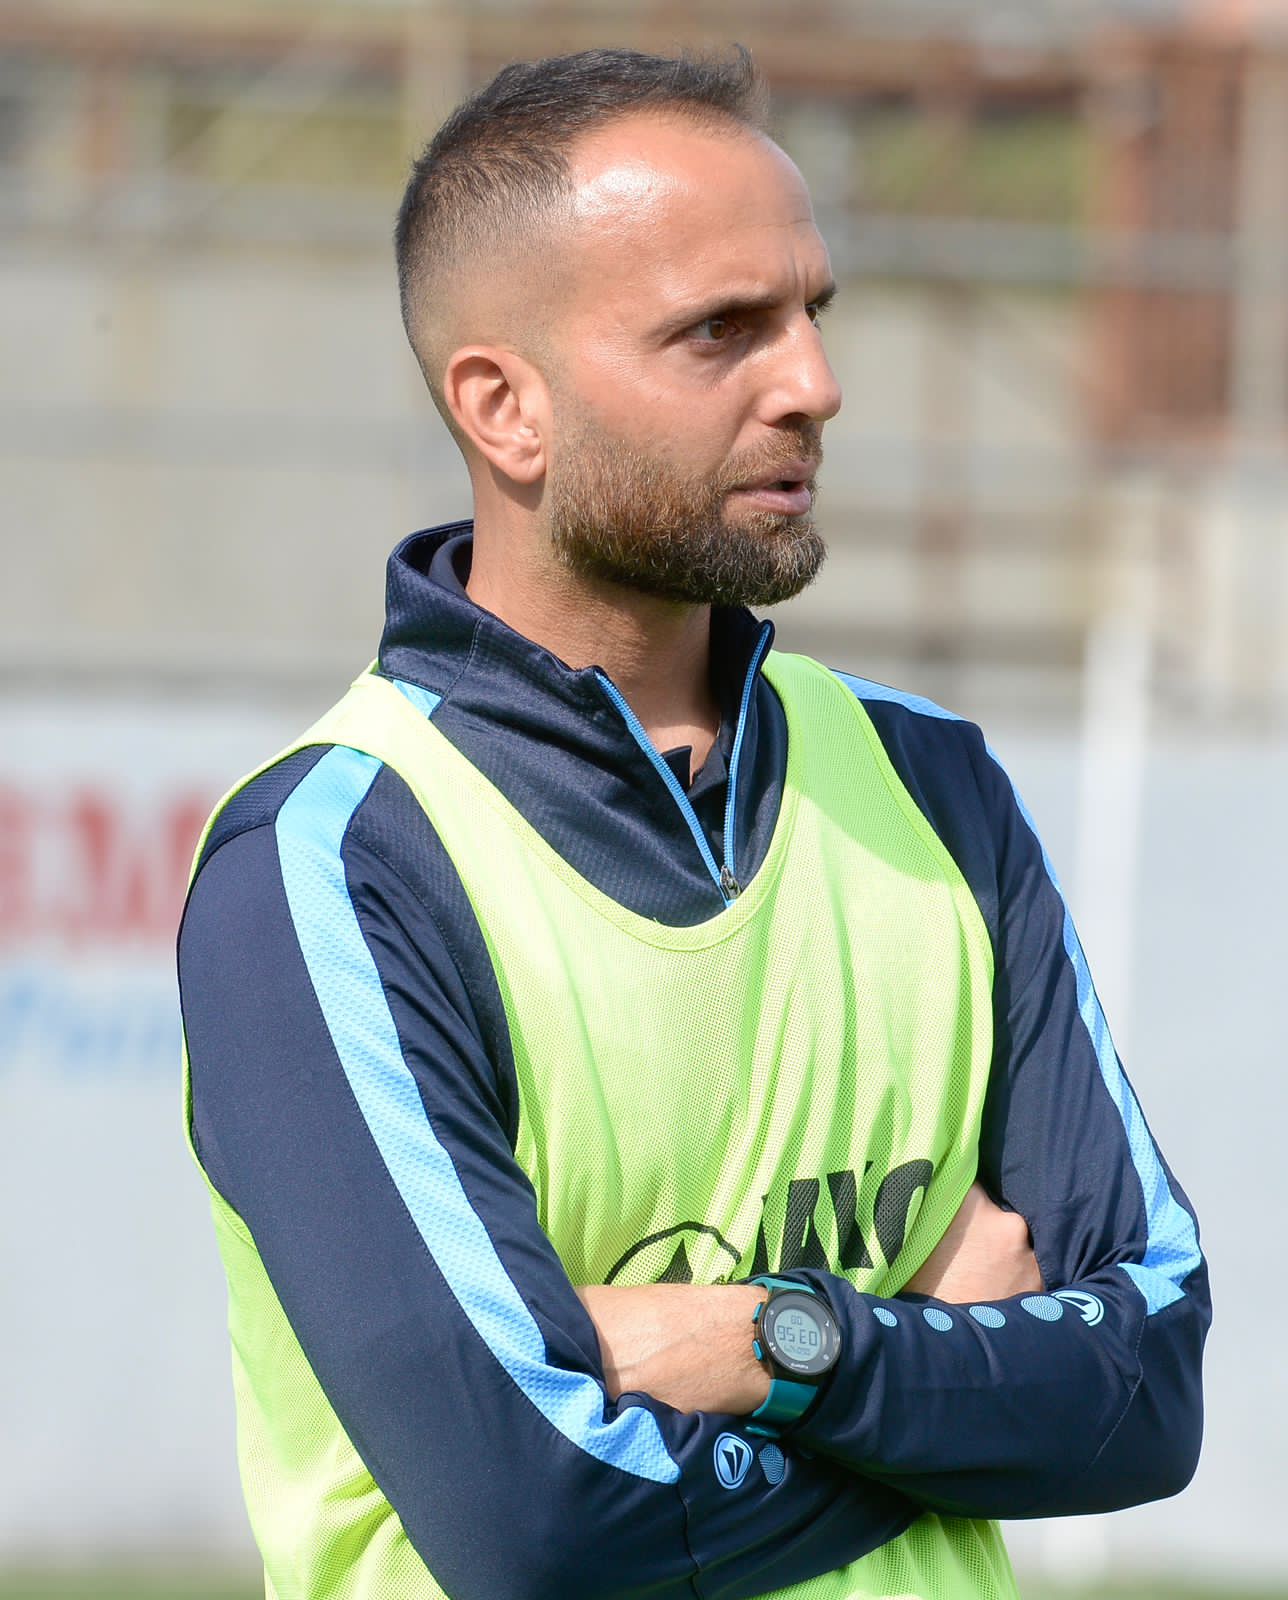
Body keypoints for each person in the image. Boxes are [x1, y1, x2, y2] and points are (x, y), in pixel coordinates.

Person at [177, 46, 1208, 1600]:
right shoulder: (332, 862)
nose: (813, 384)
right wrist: (940, 1383)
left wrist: (772, 1344)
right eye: (721, 330)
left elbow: (1145, 1392)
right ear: (505, 409)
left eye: (812, 313)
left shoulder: (929, 784)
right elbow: (529, 1523)